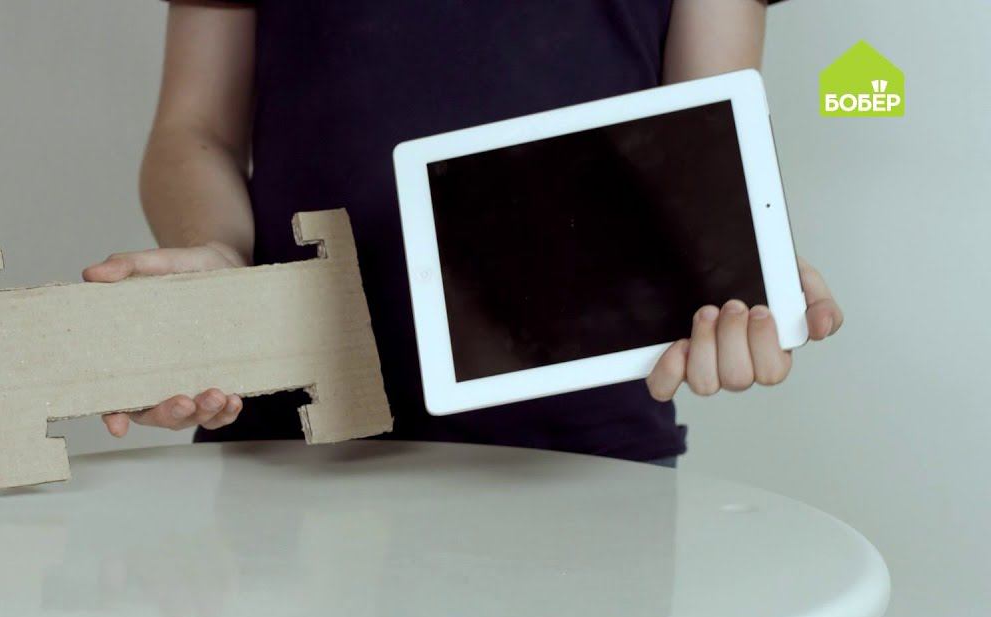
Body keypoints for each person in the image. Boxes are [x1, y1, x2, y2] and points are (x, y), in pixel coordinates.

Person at [82, 0, 843, 467]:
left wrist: (726, 270)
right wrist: (218, 259)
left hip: (583, 457)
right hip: (287, 439)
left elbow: (700, 133)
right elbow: (194, 130)